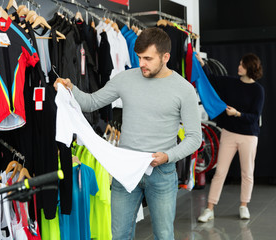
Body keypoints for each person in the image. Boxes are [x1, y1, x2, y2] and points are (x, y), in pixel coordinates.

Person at [54, 27, 202, 239]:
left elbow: (195, 138)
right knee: (120, 235)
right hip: (125, 170)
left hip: (161, 171)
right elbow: (92, 102)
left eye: (148, 58)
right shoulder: (125, 79)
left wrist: (168, 156)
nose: (141, 63)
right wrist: (70, 88)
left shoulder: (184, 89)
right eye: (139, 57)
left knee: (163, 235)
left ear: (166, 57)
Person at [196, 53, 265, 222]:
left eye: (242, 64)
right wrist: (201, 63)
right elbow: (211, 79)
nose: (238, 66)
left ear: (250, 68)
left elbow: (254, 117)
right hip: (229, 133)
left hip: (249, 136)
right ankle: (209, 209)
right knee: (220, 172)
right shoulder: (230, 82)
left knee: (247, 173)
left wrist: (237, 113)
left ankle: (244, 206)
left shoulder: (258, 90)